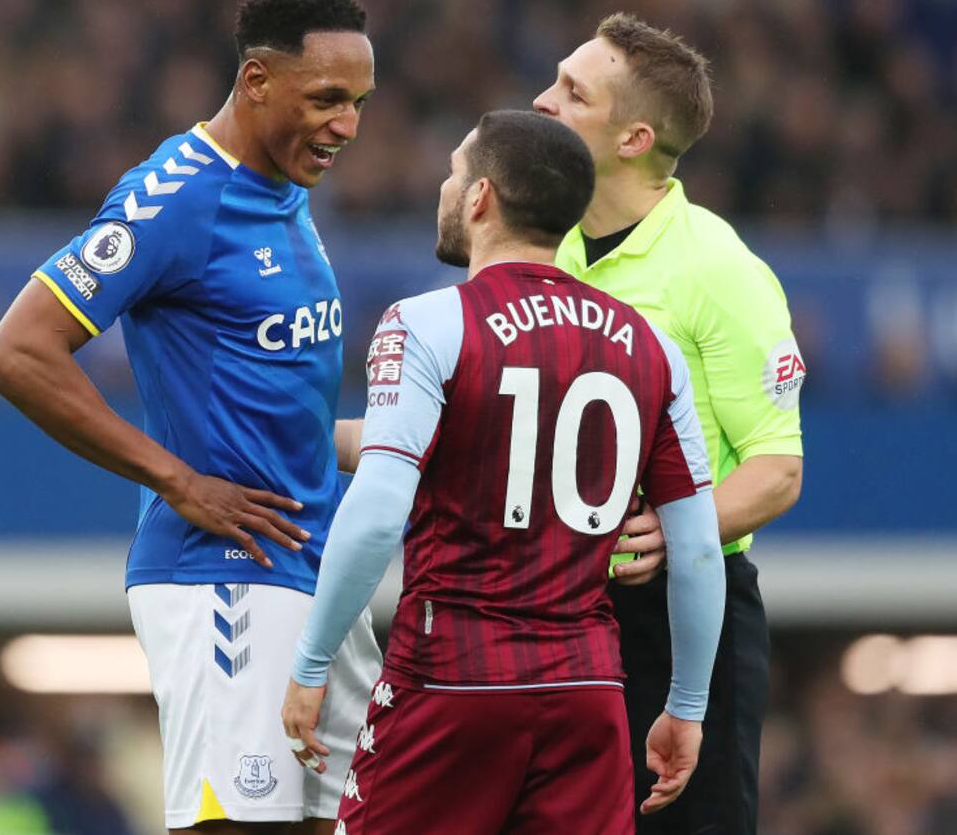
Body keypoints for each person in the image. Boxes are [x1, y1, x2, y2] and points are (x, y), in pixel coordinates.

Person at [0, 0, 381, 834]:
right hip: (224, 577)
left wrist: (381, 443)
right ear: (256, 81)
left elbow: (267, 397)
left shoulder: (285, 189)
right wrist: (178, 481)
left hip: (314, 569)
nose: (346, 124)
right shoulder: (176, 197)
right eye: (327, 99)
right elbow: (15, 352)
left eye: (357, 103)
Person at [281, 110, 726, 834]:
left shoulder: (426, 323)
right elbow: (700, 549)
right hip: (588, 692)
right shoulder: (652, 348)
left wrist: (311, 662)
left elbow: (379, 509)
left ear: (481, 197)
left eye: (454, 175)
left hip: (451, 677)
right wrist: (687, 707)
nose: (445, 189)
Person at [532, 12, 806, 834]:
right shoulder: (542, 246)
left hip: (678, 616)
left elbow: (778, 465)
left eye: (572, 93)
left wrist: (674, 531)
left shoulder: (718, 270)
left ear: (632, 137)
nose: (542, 103)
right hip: (553, 602)